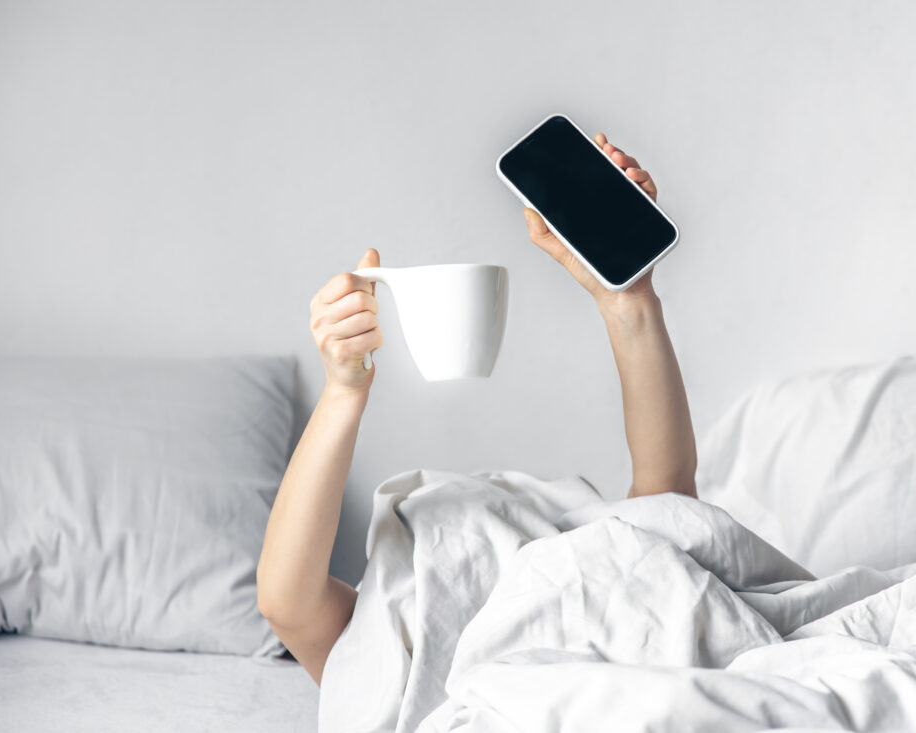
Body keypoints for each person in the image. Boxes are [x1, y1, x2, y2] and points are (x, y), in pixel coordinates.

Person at [256, 132, 698, 685]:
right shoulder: (390, 646)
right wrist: (343, 389)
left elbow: (671, 512)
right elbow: (284, 604)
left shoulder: (597, 562)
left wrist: (628, 299)